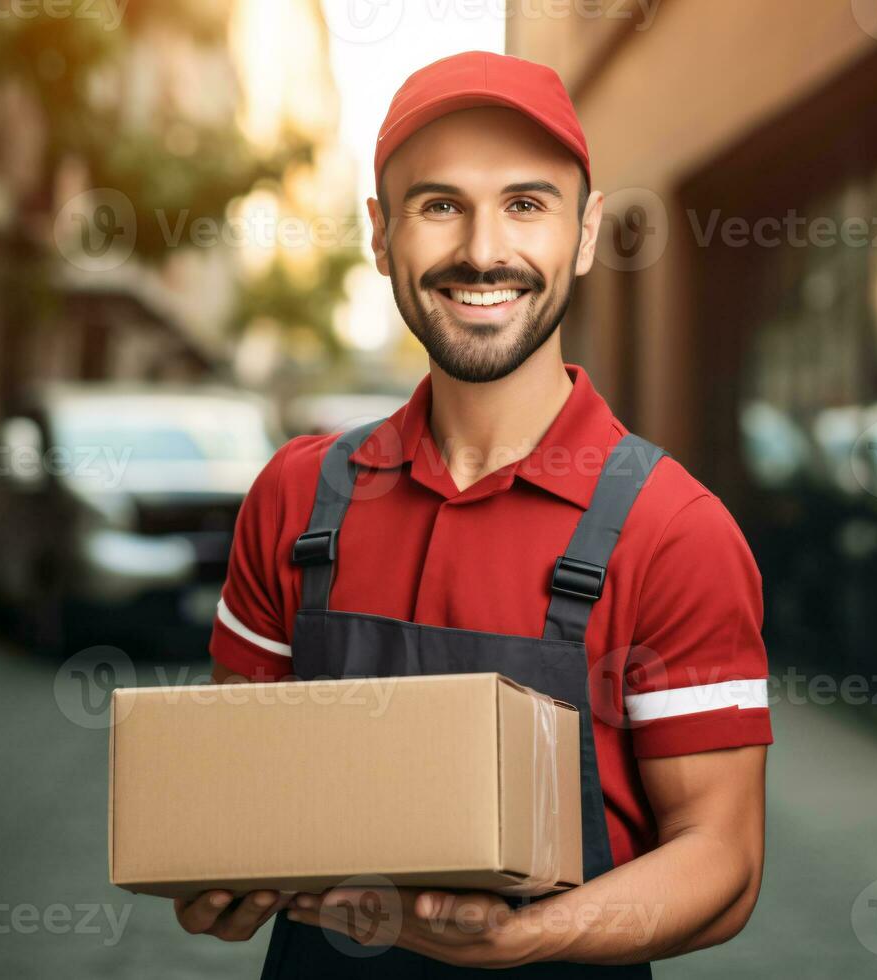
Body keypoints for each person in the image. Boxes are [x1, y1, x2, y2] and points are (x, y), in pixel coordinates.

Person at [172, 51, 772, 976]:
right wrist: (213, 872)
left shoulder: (674, 530)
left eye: (527, 204)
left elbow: (722, 861)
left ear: (585, 232)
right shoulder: (294, 499)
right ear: (380, 235)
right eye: (439, 204)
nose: (484, 250)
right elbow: (242, 799)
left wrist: (519, 941)